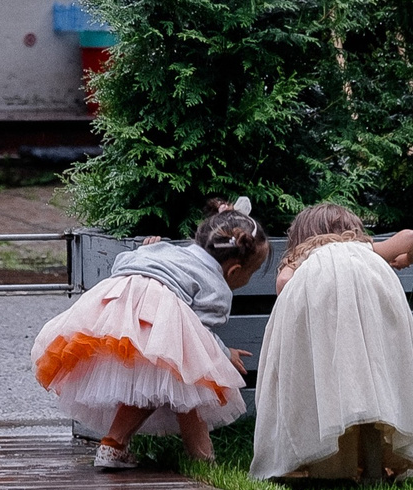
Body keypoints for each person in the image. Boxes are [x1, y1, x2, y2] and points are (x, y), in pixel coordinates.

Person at [33, 199, 269, 469]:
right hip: (155, 323)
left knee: (166, 385)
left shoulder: (164, 250)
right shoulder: (215, 286)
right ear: (235, 270)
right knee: (184, 380)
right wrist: (225, 354)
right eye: (251, 273)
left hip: (116, 311)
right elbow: (196, 336)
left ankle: (117, 446)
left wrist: (147, 254)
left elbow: (122, 263)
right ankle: (199, 458)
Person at [251, 204, 413, 485]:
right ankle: (373, 468)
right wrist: (405, 259)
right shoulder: (365, 250)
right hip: (369, 332)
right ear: (351, 230)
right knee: (372, 396)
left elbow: (284, 284)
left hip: (323, 331)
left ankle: (322, 464)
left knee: (326, 394)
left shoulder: (302, 256)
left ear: (302, 234)